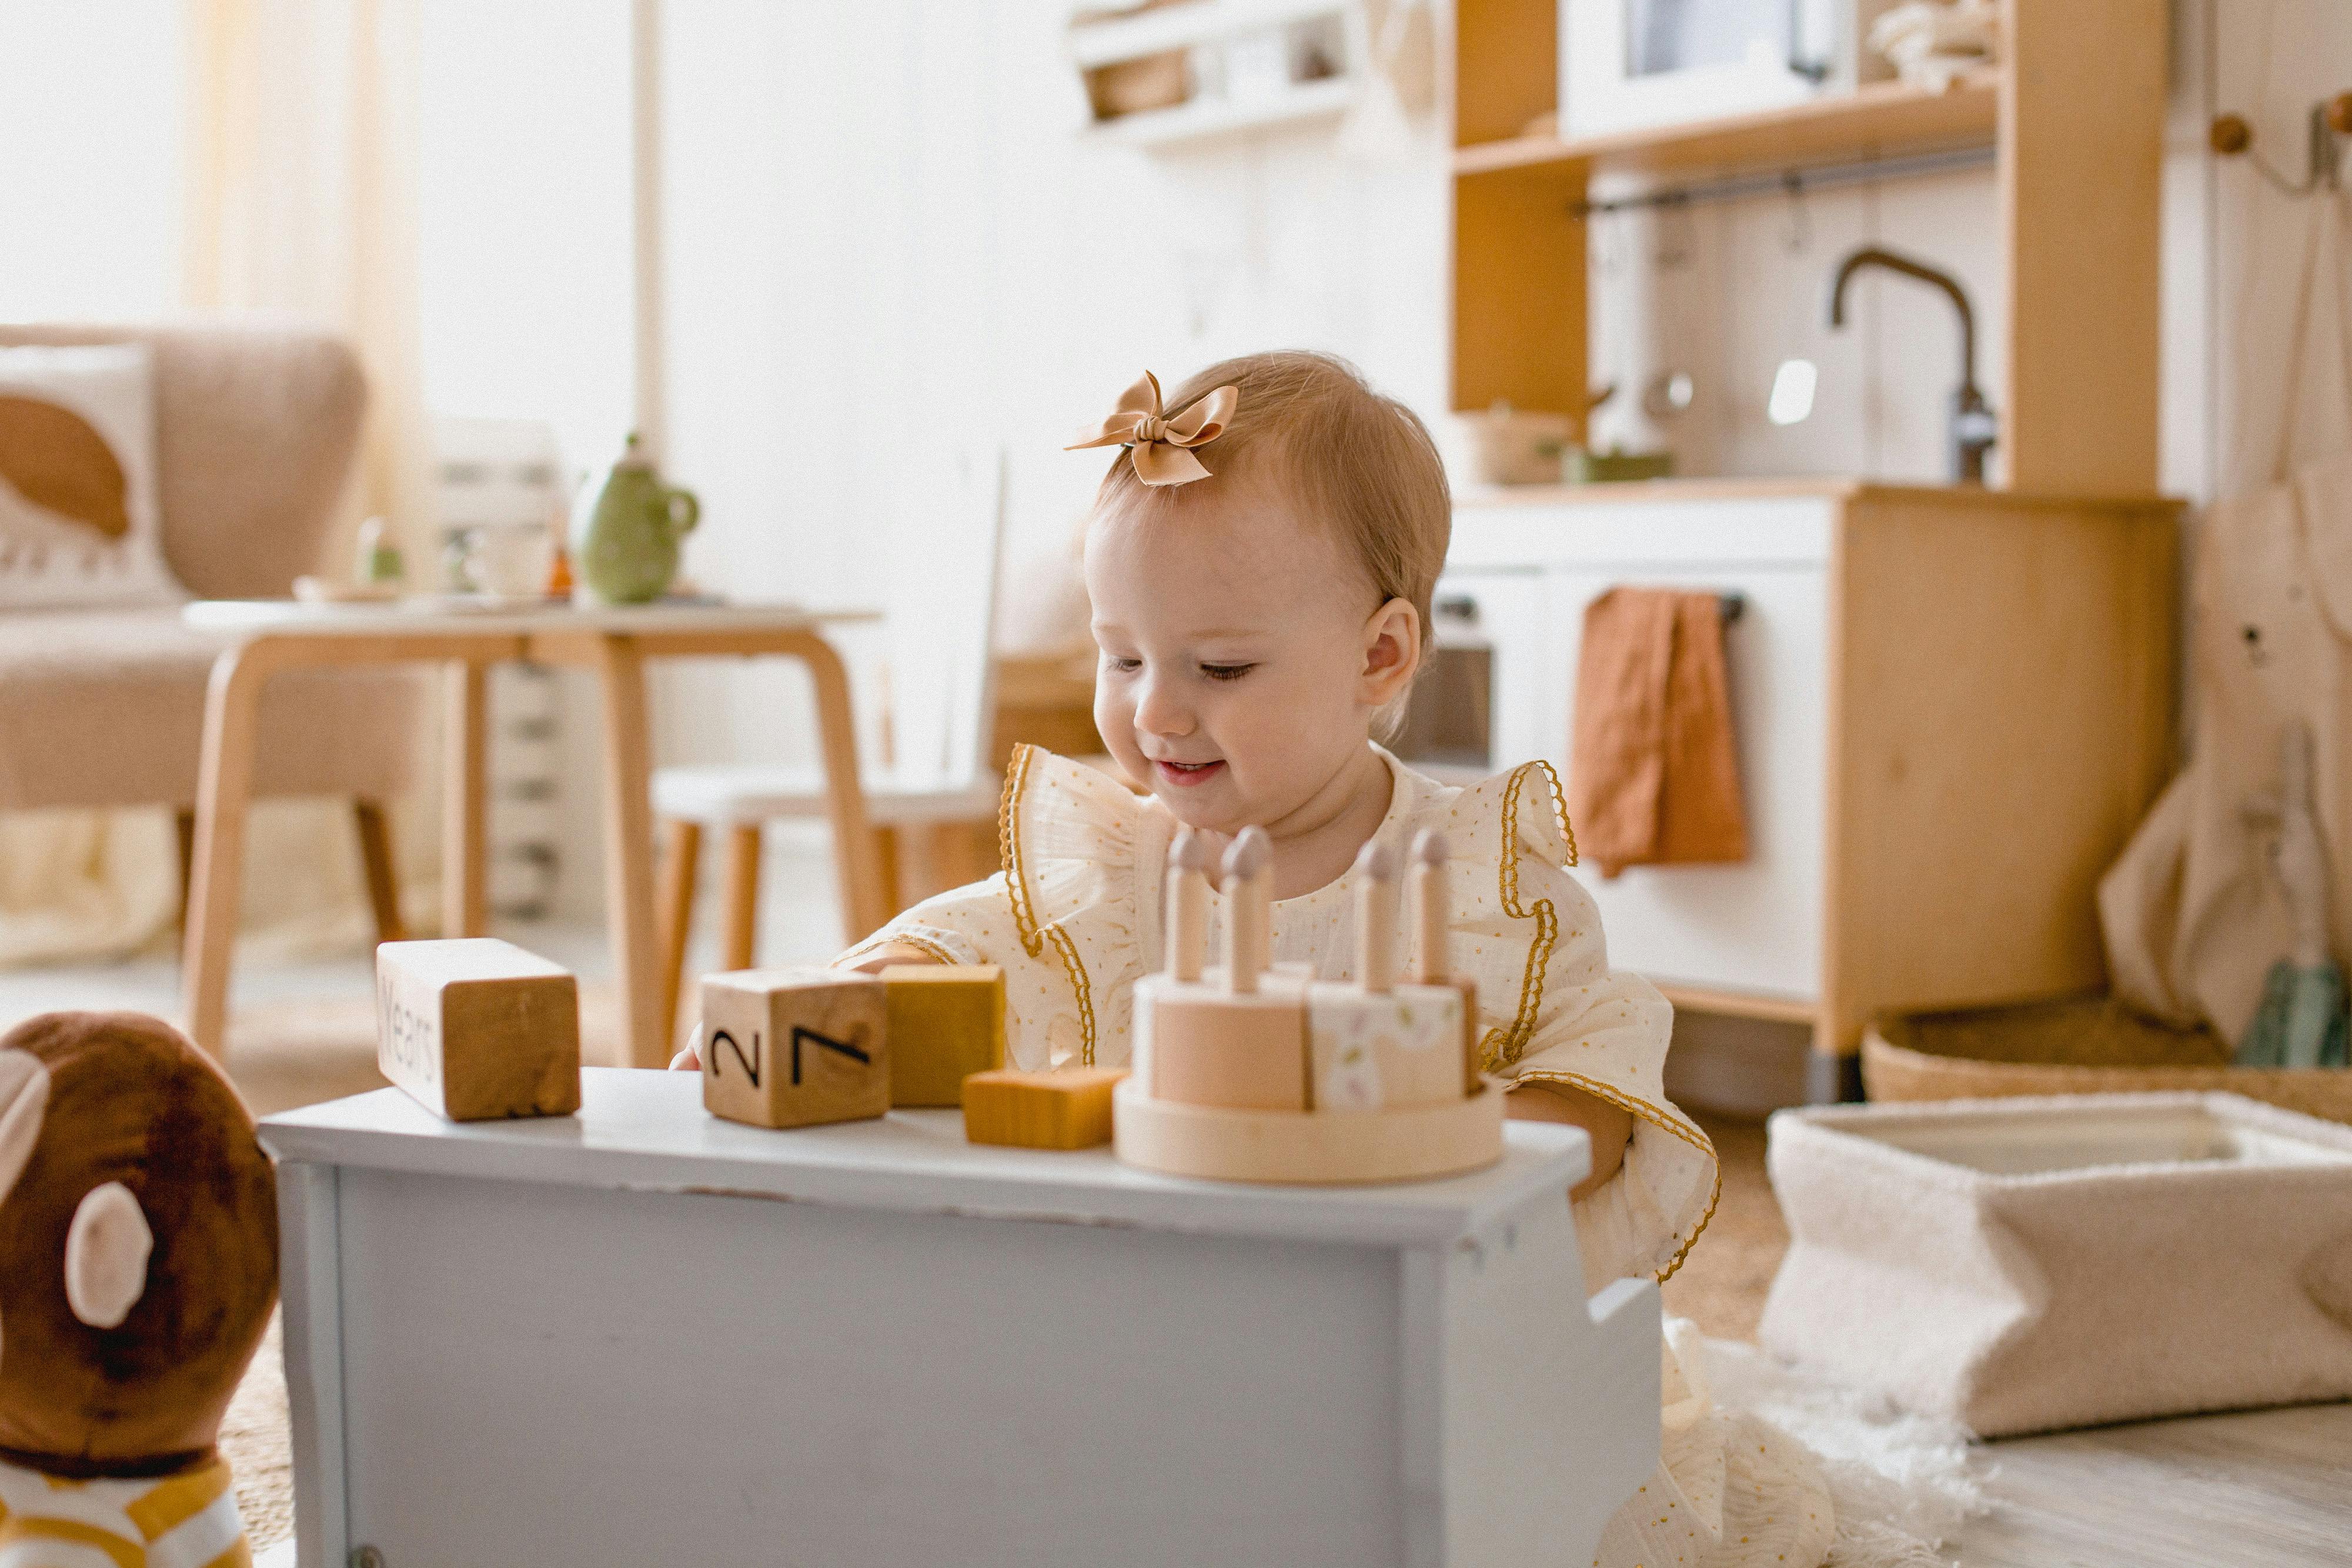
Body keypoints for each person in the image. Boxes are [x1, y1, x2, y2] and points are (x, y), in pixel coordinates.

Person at [680, 352, 1833, 1566]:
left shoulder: (1474, 869)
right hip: (1176, 1323)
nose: (1155, 711)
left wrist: (1472, 1135)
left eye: (1216, 667)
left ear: (1380, 658)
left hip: (1414, 1324)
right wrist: (853, 997)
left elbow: (1598, 1052)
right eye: (1121, 657)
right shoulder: (1114, 859)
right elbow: (971, 937)